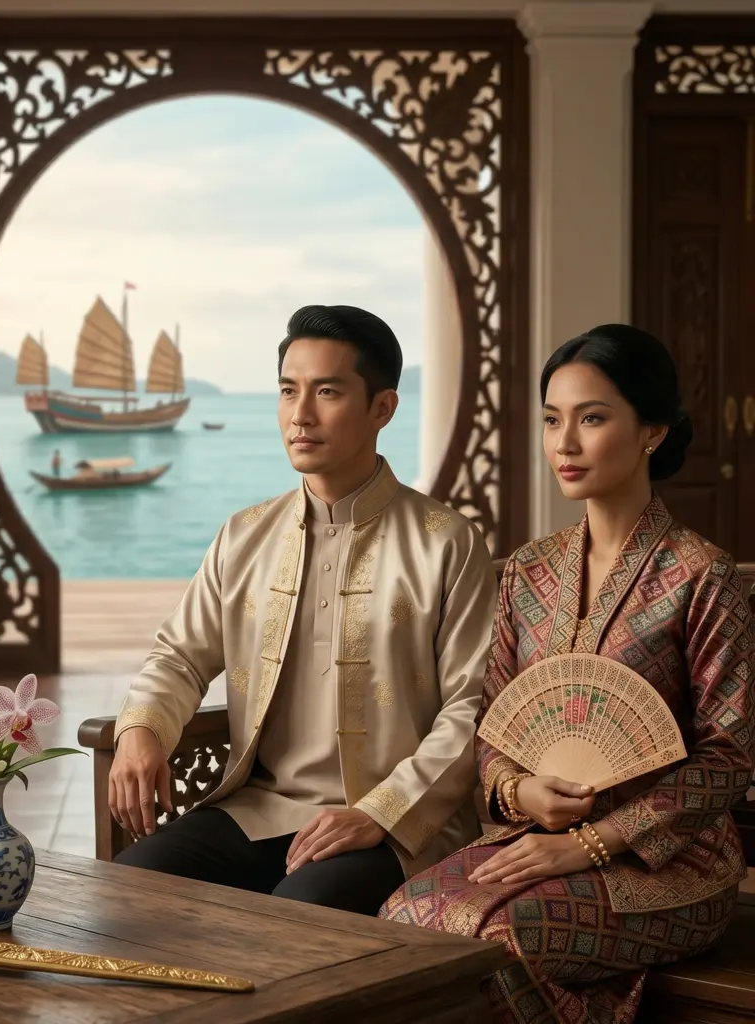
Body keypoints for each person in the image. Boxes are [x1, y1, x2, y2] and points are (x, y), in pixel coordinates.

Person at [380, 323, 755, 1022]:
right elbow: (494, 728)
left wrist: (591, 843)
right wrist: (522, 793)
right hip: (535, 841)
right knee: (403, 916)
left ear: (652, 431)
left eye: (592, 418)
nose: (565, 443)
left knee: (497, 941)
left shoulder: (704, 576)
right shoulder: (528, 569)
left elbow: (729, 756)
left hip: (673, 864)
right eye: (552, 419)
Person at [108, 304, 498, 915]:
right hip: (258, 809)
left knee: (297, 919)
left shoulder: (446, 541)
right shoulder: (245, 535)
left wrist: (381, 811)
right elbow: (180, 655)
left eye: (327, 392)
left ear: (382, 408)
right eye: (288, 391)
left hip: (391, 824)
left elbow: (472, 707)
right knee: (127, 890)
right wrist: (141, 730)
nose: (300, 414)